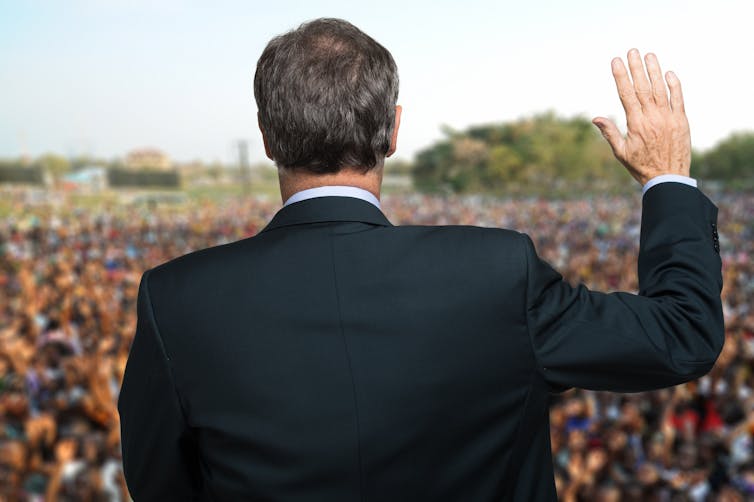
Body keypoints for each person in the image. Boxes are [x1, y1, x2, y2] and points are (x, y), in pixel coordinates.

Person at [117, 17, 725, 501]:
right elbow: (681, 334)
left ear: (268, 136)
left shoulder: (177, 299)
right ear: (393, 131)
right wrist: (666, 179)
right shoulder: (495, 273)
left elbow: (159, 483)